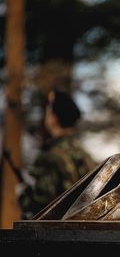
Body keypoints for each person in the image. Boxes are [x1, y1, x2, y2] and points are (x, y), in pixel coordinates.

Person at [18, 90, 96, 219]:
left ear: (54, 118)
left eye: (48, 110)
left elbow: (40, 205)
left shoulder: (50, 156)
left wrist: (23, 194)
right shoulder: (83, 154)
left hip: (54, 234)